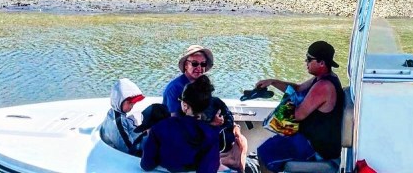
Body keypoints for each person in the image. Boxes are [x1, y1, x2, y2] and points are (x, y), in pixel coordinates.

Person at [255, 41, 345, 173]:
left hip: (317, 148)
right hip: (310, 139)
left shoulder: (324, 86)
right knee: (269, 146)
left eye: (309, 59)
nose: (306, 62)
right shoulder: (323, 78)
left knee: (264, 153)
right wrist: (272, 82)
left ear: (321, 63)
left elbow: (297, 115)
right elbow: (297, 88)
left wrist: (287, 101)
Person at [163, 45, 249, 172]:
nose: (199, 68)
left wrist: (234, 127)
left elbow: (209, 109)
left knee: (241, 140)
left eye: (203, 64)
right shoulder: (175, 88)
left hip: (198, 128)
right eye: (195, 63)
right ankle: (225, 160)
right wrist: (211, 124)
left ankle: (229, 159)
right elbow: (176, 123)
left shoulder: (201, 85)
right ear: (186, 65)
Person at [141, 75, 234, 173]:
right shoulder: (210, 134)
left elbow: (146, 165)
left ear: (185, 106)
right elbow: (207, 169)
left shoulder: (160, 127)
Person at [99, 78, 146, 156]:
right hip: (121, 155)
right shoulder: (118, 122)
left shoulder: (112, 112)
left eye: (133, 103)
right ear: (119, 101)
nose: (131, 107)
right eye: (129, 103)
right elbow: (129, 149)